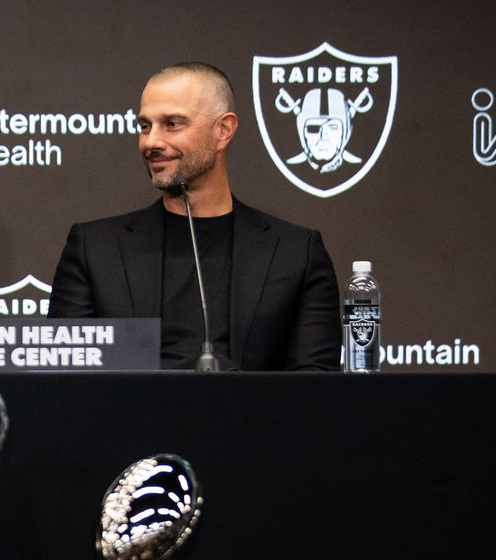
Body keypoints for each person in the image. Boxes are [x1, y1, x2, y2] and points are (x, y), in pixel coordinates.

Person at [48, 63, 340, 371]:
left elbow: (316, 384)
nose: (151, 142)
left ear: (223, 130)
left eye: (172, 124)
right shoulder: (94, 250)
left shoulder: (295, 253)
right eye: (145, 126)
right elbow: (66, 380)